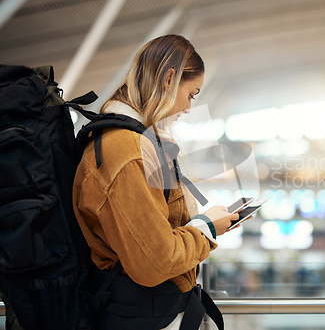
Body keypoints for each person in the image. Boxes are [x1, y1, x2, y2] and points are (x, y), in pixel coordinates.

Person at [72, 34, 239, 330]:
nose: (188, 108)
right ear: (169, 79)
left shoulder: (133, 140)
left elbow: (153, 235)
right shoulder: (126, 150)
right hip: (145, 316)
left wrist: (202, 223)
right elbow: (155, 262)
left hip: (150, 313)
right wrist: (209, 229)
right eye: (191, 94)